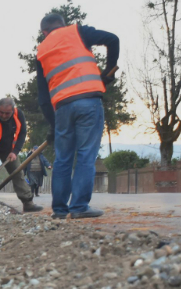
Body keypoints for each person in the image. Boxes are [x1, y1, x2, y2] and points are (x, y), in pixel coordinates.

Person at [35, 13, 119, 219]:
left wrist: (54, 124)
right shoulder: (77, 31)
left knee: (63, 159)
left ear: (44, 32)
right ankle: (79, 207)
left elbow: (43, 97)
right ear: (62, 25)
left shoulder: (42, 51)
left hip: (62, 108)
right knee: (85, 155)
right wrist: (108, 72)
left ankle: (60, 210)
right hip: (88, 102)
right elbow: (112, 39)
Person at [0, 98, 43, 213]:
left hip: (8, 150)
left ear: (12, 110)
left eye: (7, 113)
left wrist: (15, 151)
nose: (4, 116)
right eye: (1, 112)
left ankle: (28, 203)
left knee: (18, 173)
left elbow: (22, 133)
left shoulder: (19, 115)